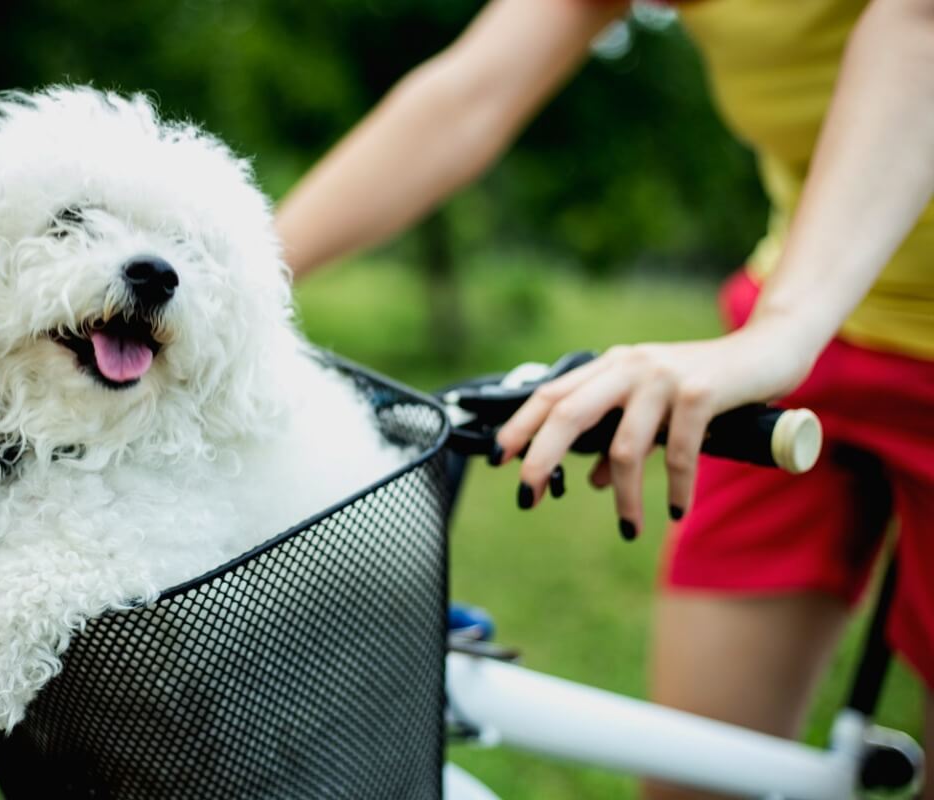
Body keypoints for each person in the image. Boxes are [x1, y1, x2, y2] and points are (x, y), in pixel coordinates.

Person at [273, 0, 934, 797]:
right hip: (809, 329)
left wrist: (776, 337)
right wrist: (236, 282)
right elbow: (469, 92)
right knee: (697, 773)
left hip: (786, 332)